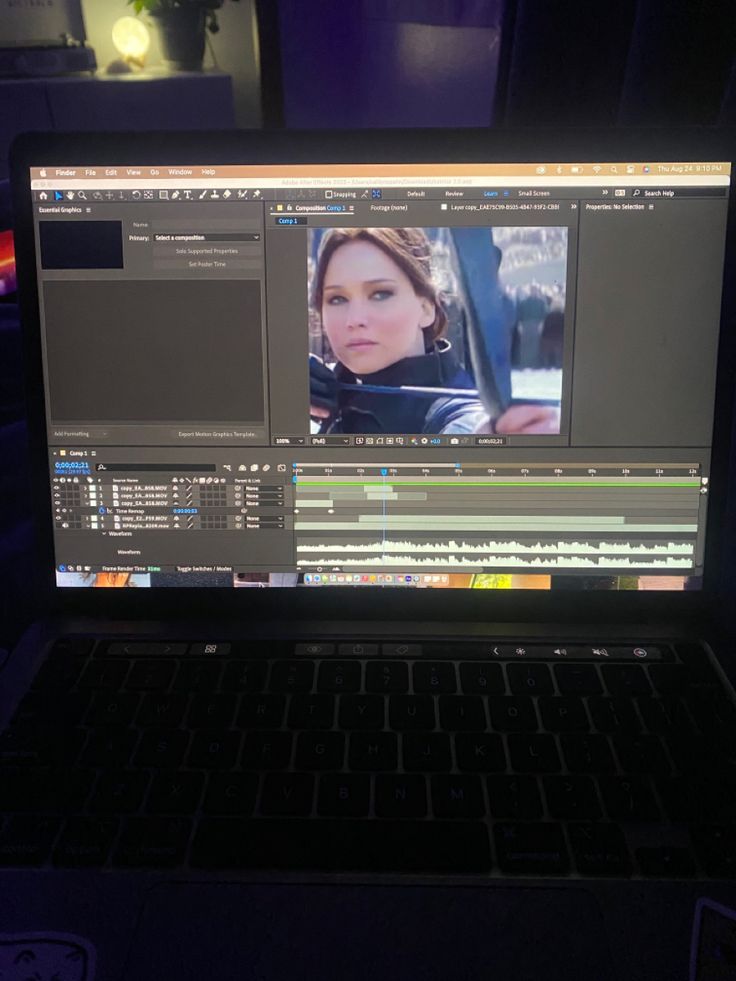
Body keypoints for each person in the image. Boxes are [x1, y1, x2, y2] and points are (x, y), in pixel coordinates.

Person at [309, 227, 558, 435]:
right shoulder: (326, 388)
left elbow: (467, 424)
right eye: (337, 299)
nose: (354, 319)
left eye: (381, 294)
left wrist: (492, 437)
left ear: (427, 308)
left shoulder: (454, 411)